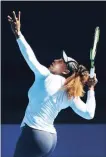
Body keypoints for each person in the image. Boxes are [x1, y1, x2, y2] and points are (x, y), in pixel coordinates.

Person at [7, 11, 98, 157]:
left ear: (65, 70)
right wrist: (91, 88)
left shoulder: (45, 76)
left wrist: (18, 34)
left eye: (60, 61)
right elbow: (89, 114)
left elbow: (30, 57)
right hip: (50, 140)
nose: (56, 60)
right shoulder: (70, 94)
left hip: (34, 134)